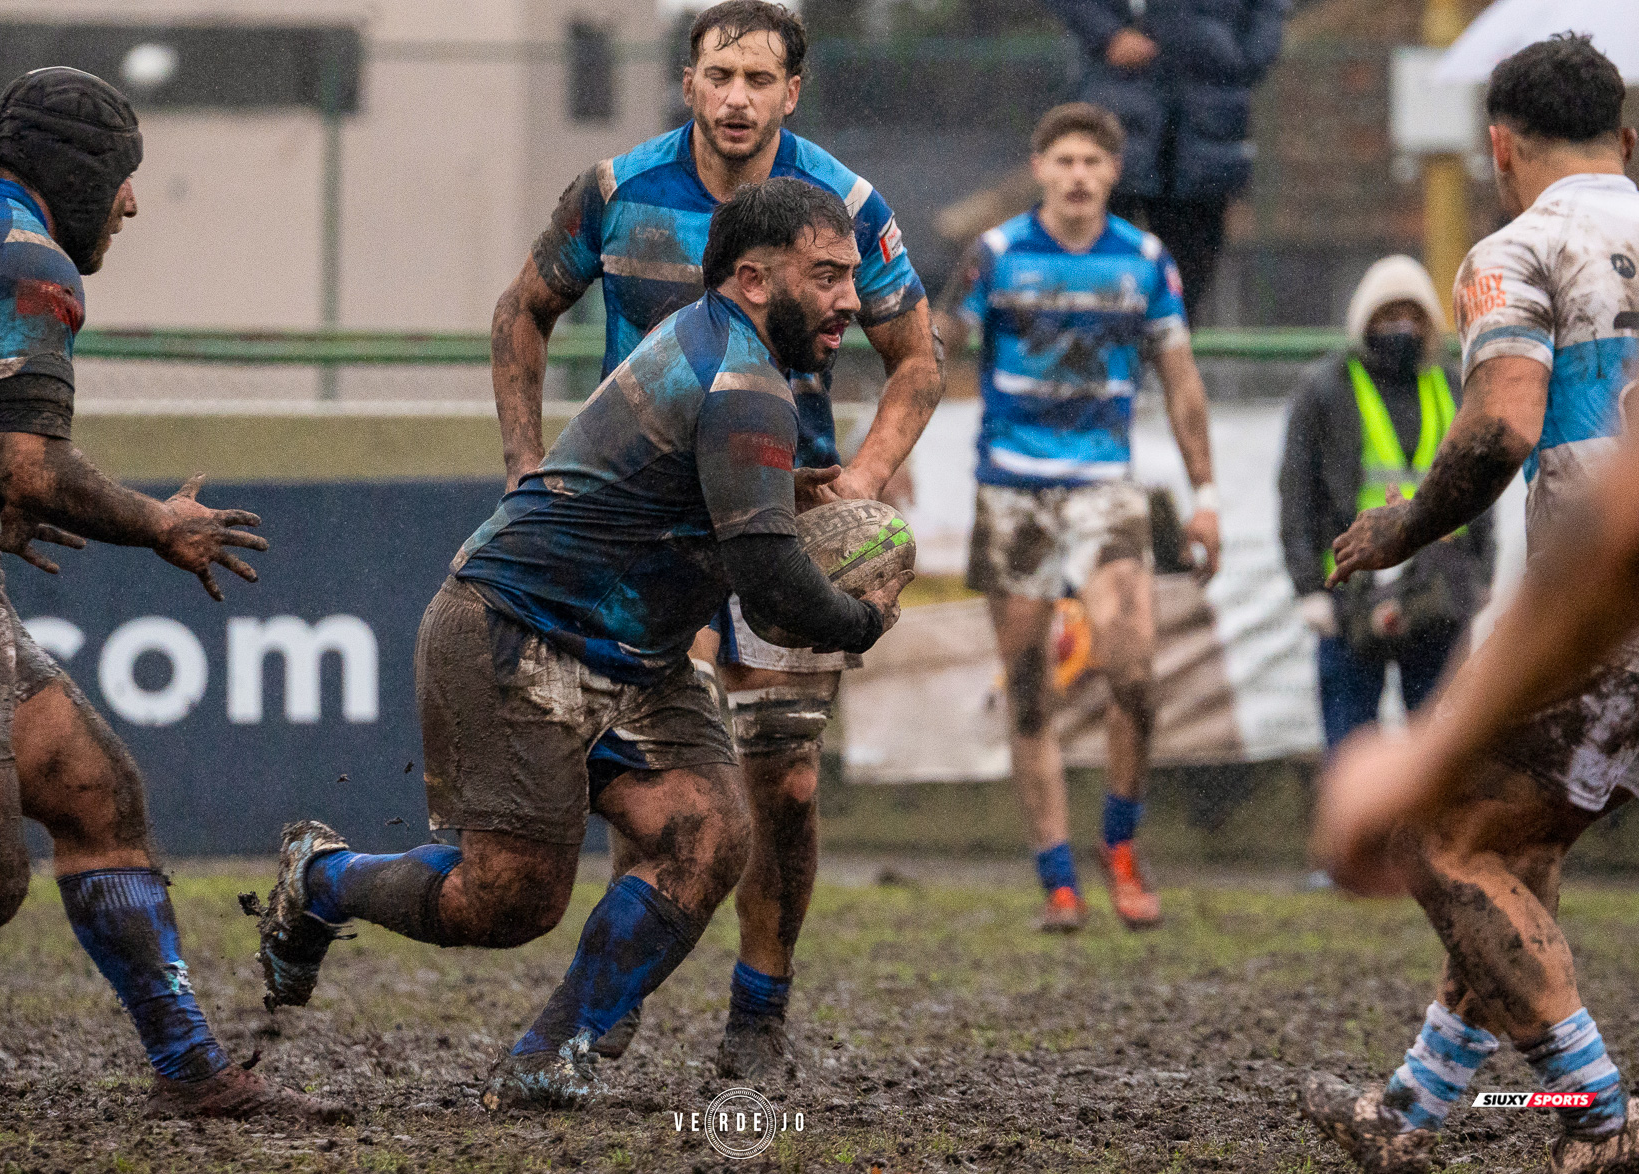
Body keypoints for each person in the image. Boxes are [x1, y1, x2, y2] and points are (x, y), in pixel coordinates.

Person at [251, 178, 911, 1111]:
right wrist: (863, 620)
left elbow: (703, 506)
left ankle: (549, 1055)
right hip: (518, 631)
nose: (850, 299)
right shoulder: (742, 382)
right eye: (829, 276)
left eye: (851, 275)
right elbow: (768, 587)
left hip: (633, 656)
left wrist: (771, 499)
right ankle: (321, 880)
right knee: (511, 901)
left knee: (710, 833)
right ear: (756, 280)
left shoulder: (720, 349)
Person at [0, 68, 341, 1122]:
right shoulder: (33, 262)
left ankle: (192, 1071)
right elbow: (34, 466)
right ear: (76, 173)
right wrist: (161, 522)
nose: (131, 202)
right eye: (122, 175)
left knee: (95, 792)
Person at [489, 0, 940, 1079]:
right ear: (688, 81)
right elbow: (521, 312)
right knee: (660, 783)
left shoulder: (847, 208)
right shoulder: (615, 191)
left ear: (794, 92)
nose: (737, 98)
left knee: (785, 784)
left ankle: (759, 1011)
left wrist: (861, 486)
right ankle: (613, 993)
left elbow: (919, 360)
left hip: (778, 519)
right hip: (650, 533)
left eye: (759, 79)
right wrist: (523, 464)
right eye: (719, 75)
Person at [1298, 35, 1639, 1174]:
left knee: (1433, 831)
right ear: (1626, 140)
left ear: (1499, 149)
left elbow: (1500, 425)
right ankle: (1410, 1109)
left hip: (1612, 608)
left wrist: (1403, 524)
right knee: (1508, 849)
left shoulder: (1521, 247)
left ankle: (1599, 1114)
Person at [934, 102, 1220, 935]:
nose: (1078, 176)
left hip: (1104, 489)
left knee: (1135, 672)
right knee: (1030, 697)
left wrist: (1205, 496)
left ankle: (1119, 845)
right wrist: (893, 453)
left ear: (1113, 173)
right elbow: (932, 351)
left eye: (1092, 162)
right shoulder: (994, 255)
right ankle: (1057, 880)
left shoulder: (1143, 261)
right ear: (1039, 170)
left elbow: (1182, 380)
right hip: (1012, 491)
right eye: (1063, 161)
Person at [1278, 256, 1493, 756]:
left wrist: (1481, 572)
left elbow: (1481, 483)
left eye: (1413, 315)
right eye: (1388, 315)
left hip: (1440, 592)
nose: (1402, 327)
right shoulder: (1324, 389)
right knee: (1351, 753)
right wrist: (1308, 587)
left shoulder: (1455, 386)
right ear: (1364, 320)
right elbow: (1297, 494)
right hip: (1349, 593)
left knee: (1441, 754)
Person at [1044, 0, 1289, 320]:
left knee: (1183, 298)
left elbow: (1268, 15)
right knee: (1093, 285)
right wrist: (1107, 35)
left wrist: (1237, 55)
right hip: (1121, 116)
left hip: (1207, 132)